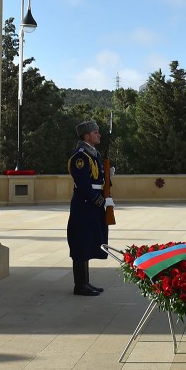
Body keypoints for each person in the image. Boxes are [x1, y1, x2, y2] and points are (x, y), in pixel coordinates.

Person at [67, 120, 112, 296]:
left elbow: (97, 179)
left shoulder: (93, 154)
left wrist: (108, 178)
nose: (98, 135)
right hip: (85, 205)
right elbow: (84, 184)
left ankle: (85, 282)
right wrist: (99, 201)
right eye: (95, 132)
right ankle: (80, 285)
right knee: (80, 243)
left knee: (87, 242)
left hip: (92, 204)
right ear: (86, 136)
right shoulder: (80, 157)